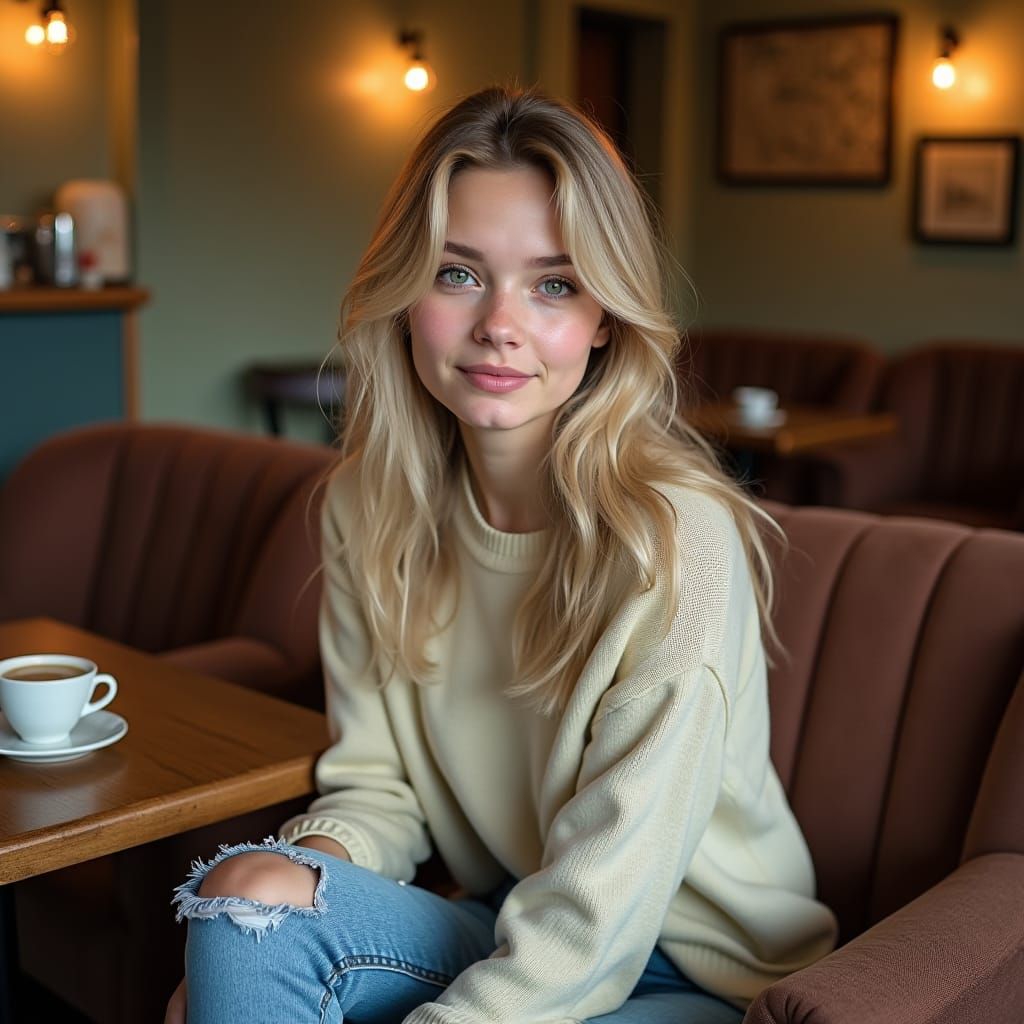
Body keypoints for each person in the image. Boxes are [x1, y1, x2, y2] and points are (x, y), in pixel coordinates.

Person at [165, 85, 837, 1024]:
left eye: (555, 284)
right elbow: (376, 782)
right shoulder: (369, 504)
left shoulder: (675, 539)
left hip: (686, 963)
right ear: (406, 292)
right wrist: (301, 874)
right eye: (458, 273)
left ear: (605, 317)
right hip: (512, 918)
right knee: (245, 899)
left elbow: (605, 902)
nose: (500, 325)